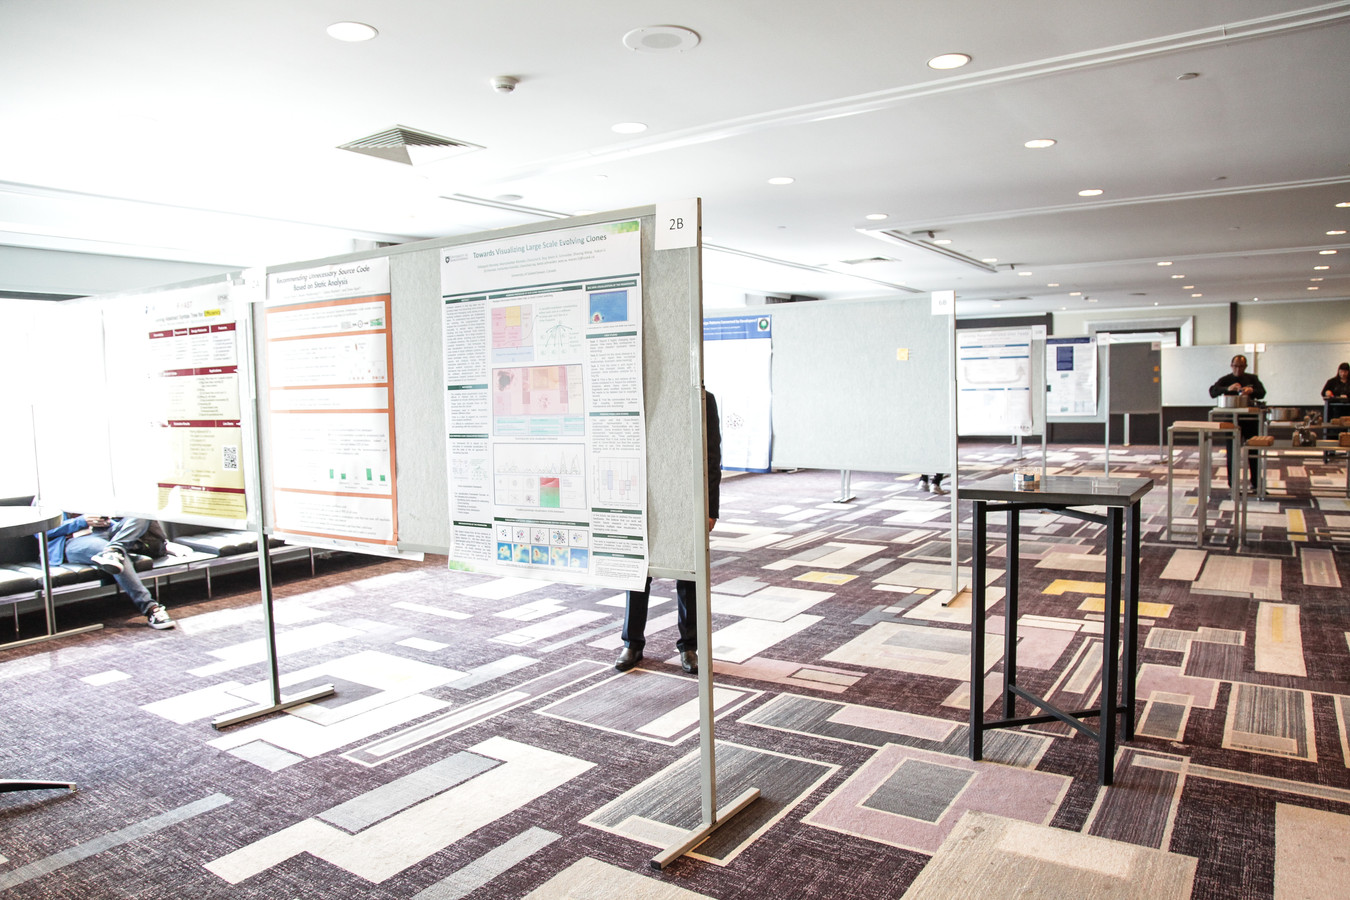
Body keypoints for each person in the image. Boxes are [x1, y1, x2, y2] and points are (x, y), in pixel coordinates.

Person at [615, 391, 721, 676]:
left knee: (688, 574)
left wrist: (710, 509)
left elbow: (712, 458)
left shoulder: (702, 399)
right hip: (644, 497)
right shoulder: (641, 392)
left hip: (686, 498)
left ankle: (689, 646)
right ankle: (632, 643)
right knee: (638, 571)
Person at [45, 513, 183, 629]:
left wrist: (107, 520)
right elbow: (44, 530)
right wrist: (81, 521)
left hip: (108, 533)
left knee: (142, 514)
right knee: (112, 553)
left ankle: (115, 548)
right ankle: (150, 608)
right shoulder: (48, 495)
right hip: (75, 541)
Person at [1208, 354, 1266, 488]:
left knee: (1254, 452)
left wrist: (1252, 390)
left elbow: (1262, 392)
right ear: (1231, 366)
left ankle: (1256, 484)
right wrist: (1227, 389)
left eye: (1241, 366)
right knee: (1232, 453)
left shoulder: (1252, 378)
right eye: (1235, 366)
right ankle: (1233, 485)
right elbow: (1213, 392)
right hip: (1231, 420)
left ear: (1245, 367)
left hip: (1250, 420)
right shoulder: (1226, 379)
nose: (1238, 369)